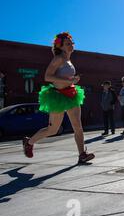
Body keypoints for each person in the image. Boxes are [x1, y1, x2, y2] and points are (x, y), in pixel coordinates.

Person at [22, 32, 95, 164]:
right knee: (53, 129)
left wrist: (73, 80)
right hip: (58, 96)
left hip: (71, 95)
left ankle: (82, 154)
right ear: (60, 46)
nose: (71, 45)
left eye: (71, 43)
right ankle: (29, 142)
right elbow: (47, 77)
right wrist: (68, 80)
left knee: (78, 126)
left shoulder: (69, 60)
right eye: (67, 43)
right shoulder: (58, 59)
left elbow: (66, 79)